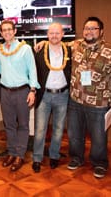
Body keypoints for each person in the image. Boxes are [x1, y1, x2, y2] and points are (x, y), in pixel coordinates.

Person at [66, 17, 111, 178]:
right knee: (74, 134)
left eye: (93, 28)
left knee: (99, 137)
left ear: (101, 31)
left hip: (99, 103)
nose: (89, 31)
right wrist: (43, 43)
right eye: (86, 28)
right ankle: (76, 158)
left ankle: (99, 163)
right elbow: (57, 43)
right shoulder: (76, 45)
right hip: (76, 100)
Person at [0, 20, 40, 172]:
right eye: (4, 30)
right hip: (5, 92)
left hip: (22, 91)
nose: (7, 32)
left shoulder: (25, 49)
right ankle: (11, 152)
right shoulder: (0, 50)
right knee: (9, 125)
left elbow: (33, 70)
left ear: (15, 31)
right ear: (1, 33)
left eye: (10, 29)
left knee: (23, 125)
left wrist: (33, 90)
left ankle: (20, 155)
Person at [31, 22, 72, 173]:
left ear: (63, 34)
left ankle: (54, 156)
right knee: (40, 129)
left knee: (59, 129)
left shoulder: (70, 50)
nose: (54, 36)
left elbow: (82, 41)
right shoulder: (39, 50)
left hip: (62, 95)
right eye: (51, 33)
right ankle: (37, 158)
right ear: (47, 35)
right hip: (44, 95)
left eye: (57, 33)